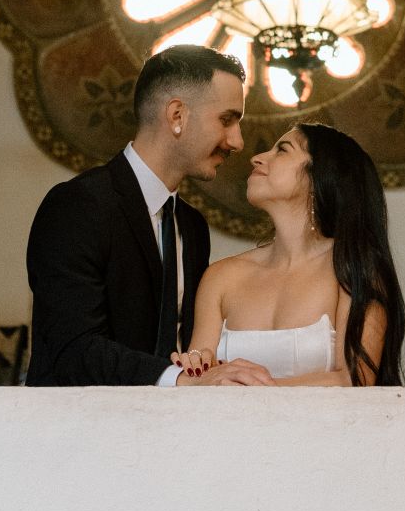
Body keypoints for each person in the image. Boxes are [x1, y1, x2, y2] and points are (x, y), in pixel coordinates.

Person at [24, 45, 272, 386]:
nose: (238, 141)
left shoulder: (192, 227)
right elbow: (74, 349)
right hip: (78, 430)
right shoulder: (78, 205)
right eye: (227, 120)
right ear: (176, 116)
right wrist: (180, 381)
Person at [174, 122, 405, 386]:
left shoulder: (353, 269)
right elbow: (200, 381)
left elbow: (355, 379)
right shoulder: (220, 277)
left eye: (282, 150)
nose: (257, 157)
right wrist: (195, 366)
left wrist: (256, 389)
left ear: (319, 175)